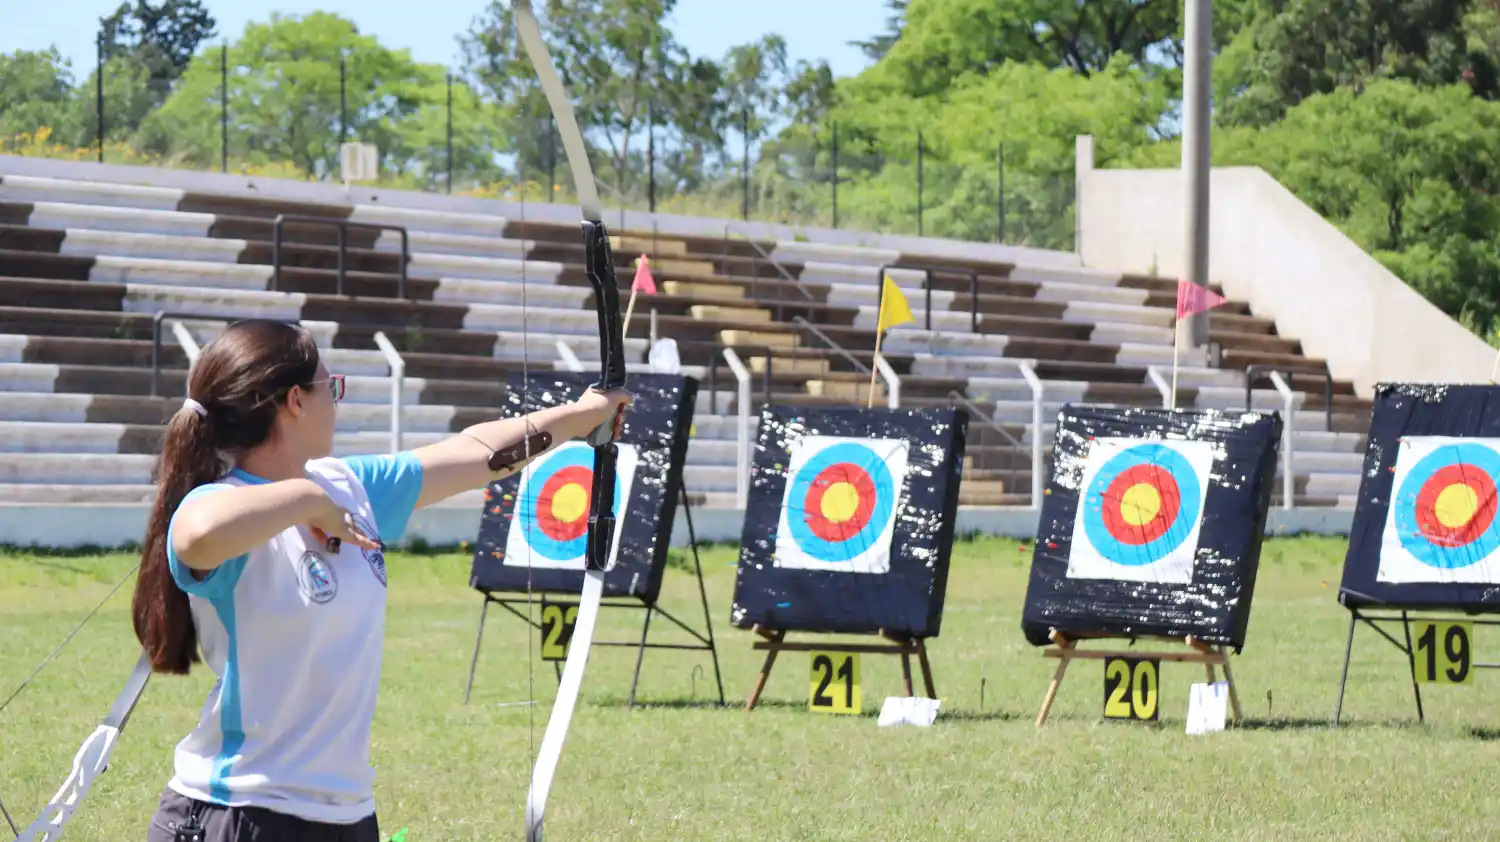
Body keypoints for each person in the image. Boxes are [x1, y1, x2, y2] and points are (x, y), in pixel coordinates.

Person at [132, 319, 630, 842]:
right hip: (237, 811)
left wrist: (582, 416)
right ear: (295, 401)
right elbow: (195, 536)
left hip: (345, 815)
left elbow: (478, 453)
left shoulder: (349, 485)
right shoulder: (219, 500)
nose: (337, 401)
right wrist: (309, 501)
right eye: (332, 387)